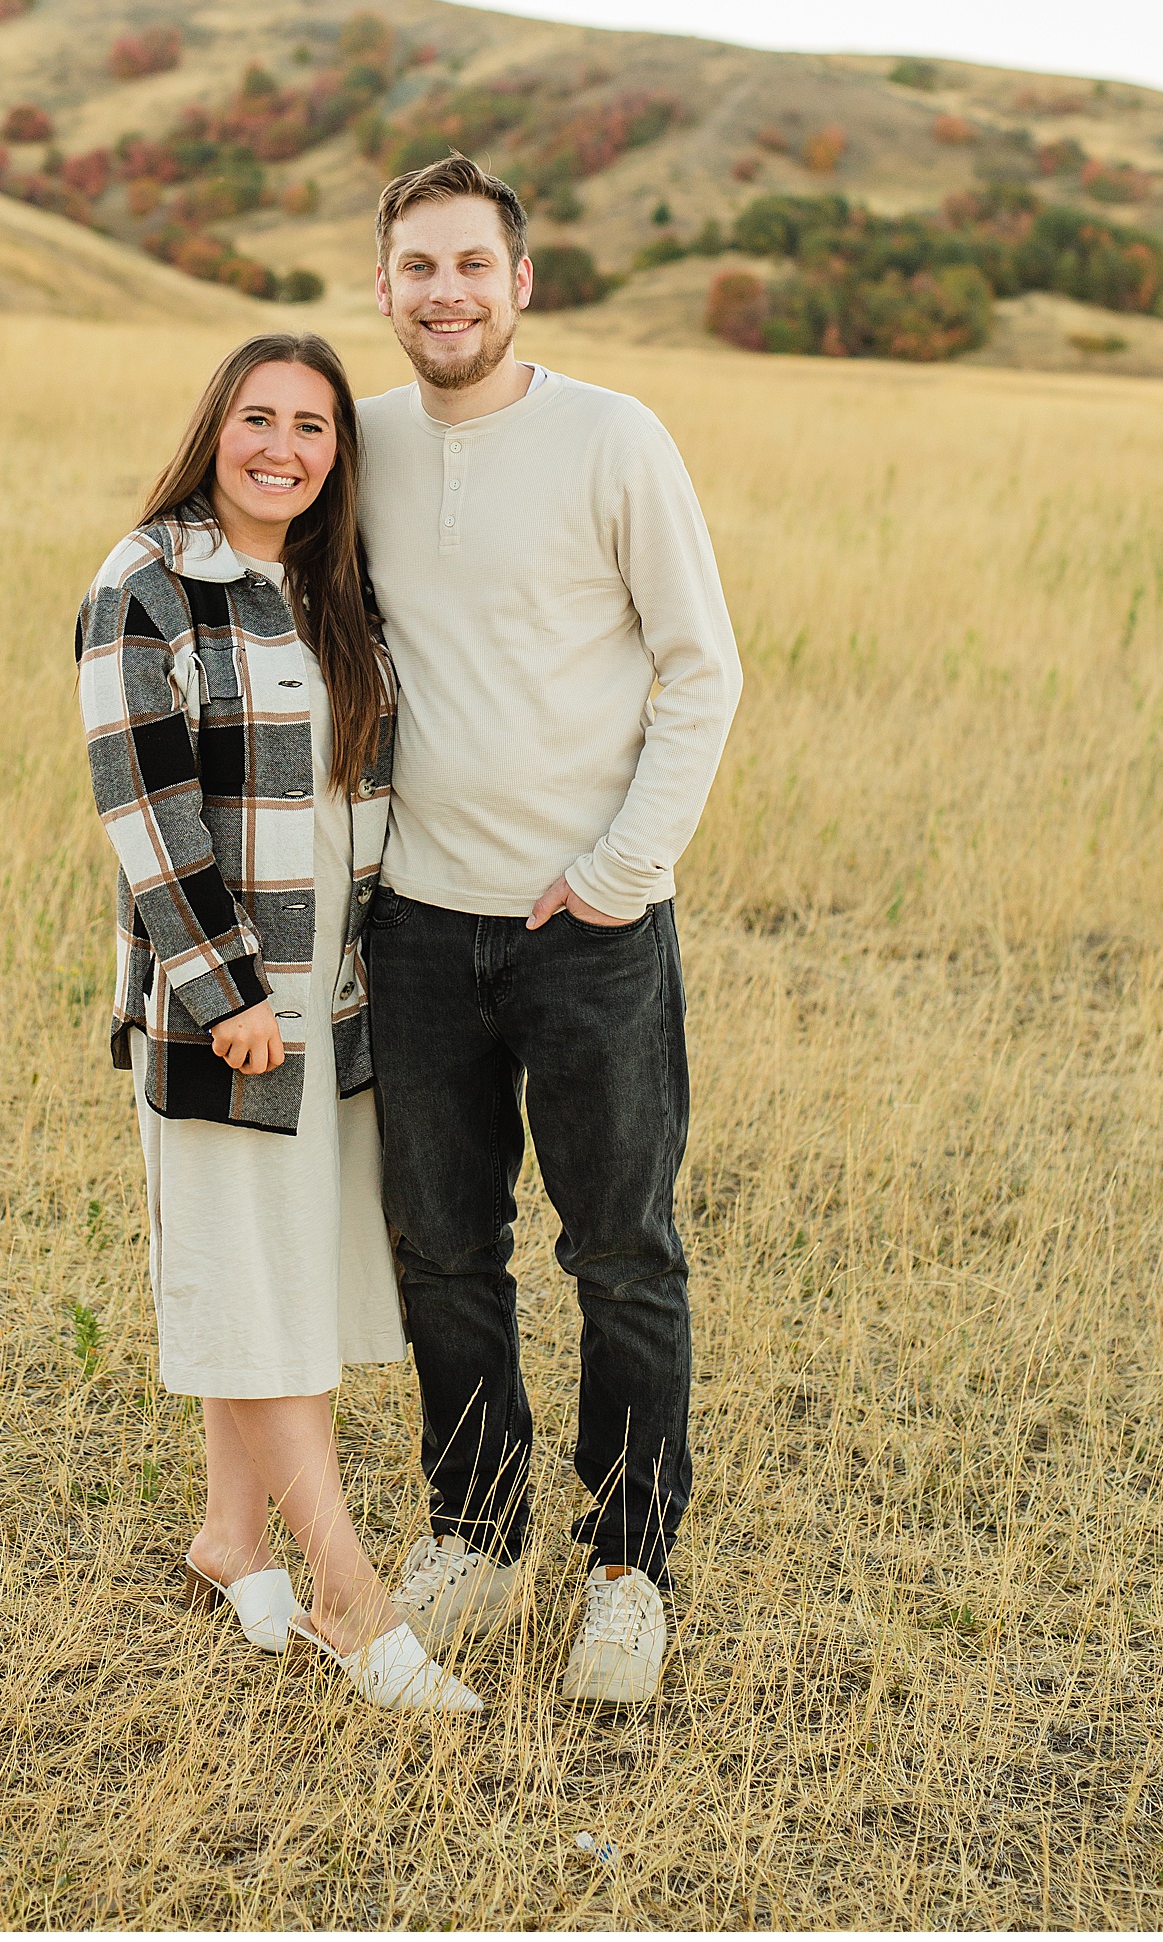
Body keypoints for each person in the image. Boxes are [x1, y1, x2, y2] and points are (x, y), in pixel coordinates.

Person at [357, 155, 743, 1706]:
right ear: (381, 290)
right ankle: (478, 1528)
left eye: (471, 264)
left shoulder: (613, 437)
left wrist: (622, 867)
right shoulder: (358, 441)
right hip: (419, 929)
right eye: (415, 269)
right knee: (444, 1252)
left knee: (624, 1252)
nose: (444, 292)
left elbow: (700, 667)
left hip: (591, 927)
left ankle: (629, 1566)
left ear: (523, 282)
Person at [75, 330, 481, 1717]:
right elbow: (147, 811)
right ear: (216, 425)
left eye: (313, 427)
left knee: (275, 1275)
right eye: (260, 418)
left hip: (332, 998)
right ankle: (351, 1600)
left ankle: (227, 1538)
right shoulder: (146, 584)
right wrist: (225, 991)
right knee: (261, 1297)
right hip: (226, 1009)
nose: (285, 449)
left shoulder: (326, 588)